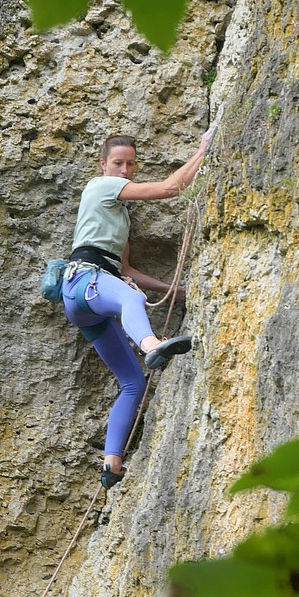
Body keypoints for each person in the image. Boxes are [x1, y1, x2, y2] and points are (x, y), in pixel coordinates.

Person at [62, 129, 214, 489]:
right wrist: (204, 149)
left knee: (133, 382)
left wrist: (175, 292)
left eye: (131, 164)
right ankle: (151, 346)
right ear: (103, 165)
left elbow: (126, 272)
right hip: (84, 280)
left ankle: (111, 463)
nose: (125, 170)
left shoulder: (120, 218)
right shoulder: (99, 186)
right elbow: (168, 189)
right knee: (132, 300)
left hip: (88, 300)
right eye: (118, 163)